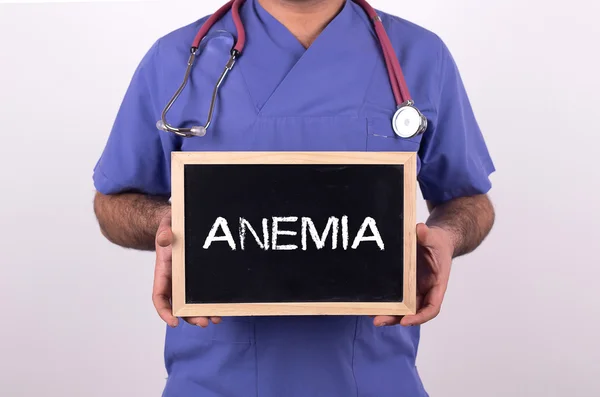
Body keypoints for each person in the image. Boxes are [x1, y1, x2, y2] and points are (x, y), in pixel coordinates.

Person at [92, 0, 496, 395]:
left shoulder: (420, 56)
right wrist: (168, 225)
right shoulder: (176, 58)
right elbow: (113, 202)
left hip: (374, 376)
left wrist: (446, 237)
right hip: (214, 379)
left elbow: (469, 201)